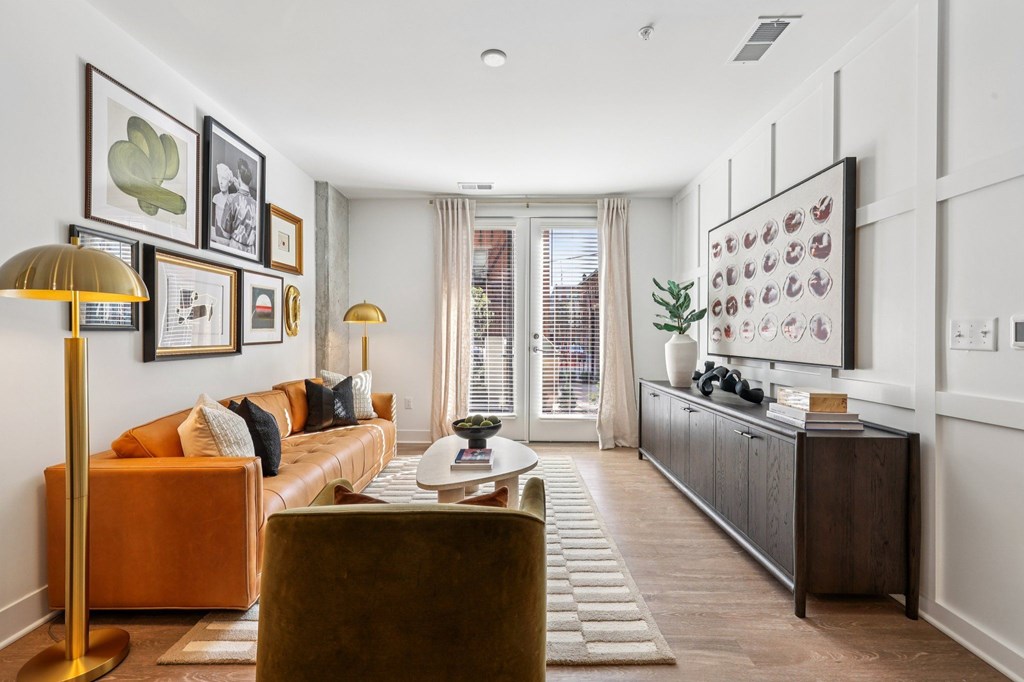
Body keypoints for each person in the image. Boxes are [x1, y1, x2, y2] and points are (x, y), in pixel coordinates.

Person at [220, 159, 259, 254]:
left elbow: (225, 233)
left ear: (238, 174)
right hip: (251, 252)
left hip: (235, 249)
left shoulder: (231, 199)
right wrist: (239, 188)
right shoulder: (256, 204)